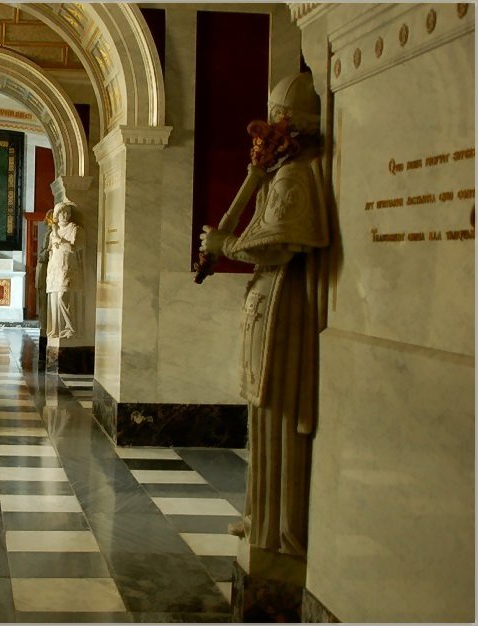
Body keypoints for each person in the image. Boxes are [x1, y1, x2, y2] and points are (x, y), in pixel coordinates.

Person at [198, 72, 329, 557]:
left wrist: (225, 244)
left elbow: (276, 242)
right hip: (268, 302)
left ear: (289, 126)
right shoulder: (280, 173)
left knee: (275, 416)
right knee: (261, 415)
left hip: (283, 306)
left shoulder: (294, 176)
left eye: (274, 122)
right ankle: (260, 515)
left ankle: (277, 527)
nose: (264, 135)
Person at [45, 201, 85, 339]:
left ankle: (70, 328)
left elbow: (74, 248)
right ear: (57, 215)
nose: (65, 215)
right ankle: (56, 329)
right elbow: (51, 252)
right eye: (62, 212)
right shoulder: (53, 232)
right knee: (54, 299)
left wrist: (59, 240)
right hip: (55, 268)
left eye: (68, 212)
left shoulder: (75, 229)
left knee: (63, 296)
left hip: (68, 267)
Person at [35, 212, 53, 337]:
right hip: (43, 270)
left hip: (46, 270)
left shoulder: (51, 233)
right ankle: (44, 329)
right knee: (43, 303)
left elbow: (44, 254)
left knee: (45, 304)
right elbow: (44, 254)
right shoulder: (50, 233)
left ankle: (45, 330)